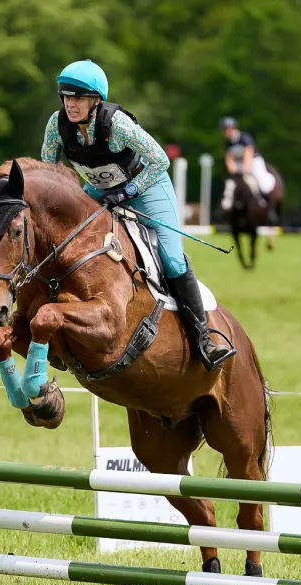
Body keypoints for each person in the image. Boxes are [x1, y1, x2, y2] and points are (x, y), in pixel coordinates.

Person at [40, 59, 234, 370]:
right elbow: (50, 171)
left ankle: (204, 341)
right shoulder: (57, 125)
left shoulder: (117, 125)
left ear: (96, 100)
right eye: (66, 97)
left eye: (79, 98)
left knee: (172, 260)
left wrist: (128, 191)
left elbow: (160, 160)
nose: (70, 104)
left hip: (146, 188)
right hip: (98, 191)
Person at [218, 117, 278, 224]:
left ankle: (269, 209)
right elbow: (229, 158)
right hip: (238, 163)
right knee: (230, 183)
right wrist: (232, 169)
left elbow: (248, 154)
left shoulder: (244, 137)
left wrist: (245, 169)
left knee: (263, 183)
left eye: (227, 129)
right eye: (224, 129)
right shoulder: (228, 142)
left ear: (233, 128)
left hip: (253, 162)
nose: (226, 132)